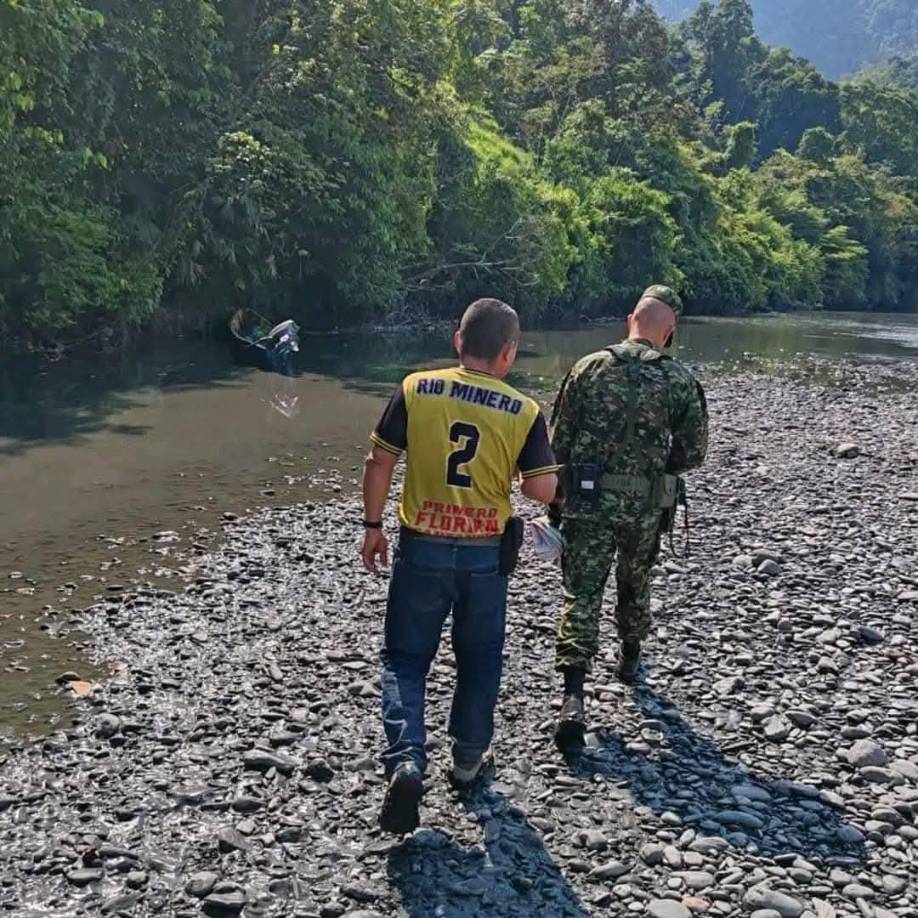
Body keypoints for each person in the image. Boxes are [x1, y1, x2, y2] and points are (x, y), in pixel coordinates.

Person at [361, 298, 558, 834]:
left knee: (405, 658)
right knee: (479, 656)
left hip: (422, 545)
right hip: (484, 555)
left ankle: (406, 760)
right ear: (509, 353)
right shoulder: (524, 410)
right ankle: (469, 760)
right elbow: (540, 489)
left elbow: (380, 460)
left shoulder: (415, 389)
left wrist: (372, 527)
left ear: (457, 341)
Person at [549, 285, 708, 753]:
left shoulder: (587, 368)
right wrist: (658, 465)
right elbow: (693, 453)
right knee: (635, 582)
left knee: (580, 595)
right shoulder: (679, 380)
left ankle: (573, 699)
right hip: (643, 508)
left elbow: (559, 442)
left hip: (587, 502)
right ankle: (630, 659)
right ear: (670, 332)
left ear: (629, 320)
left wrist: (555, 503)